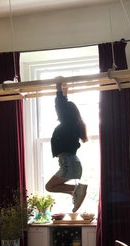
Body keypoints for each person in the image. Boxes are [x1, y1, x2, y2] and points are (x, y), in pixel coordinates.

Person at [45, 81, 88, 213]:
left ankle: (77, 191)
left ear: (65, 113)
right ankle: (76, 191)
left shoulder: (68, 124)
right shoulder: (72, 124)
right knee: (50, 187)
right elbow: (62, 104)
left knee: (49, 187)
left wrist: (58, 88)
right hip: (70, 163)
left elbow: (60, 105)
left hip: (69, 164)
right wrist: (64, 91)